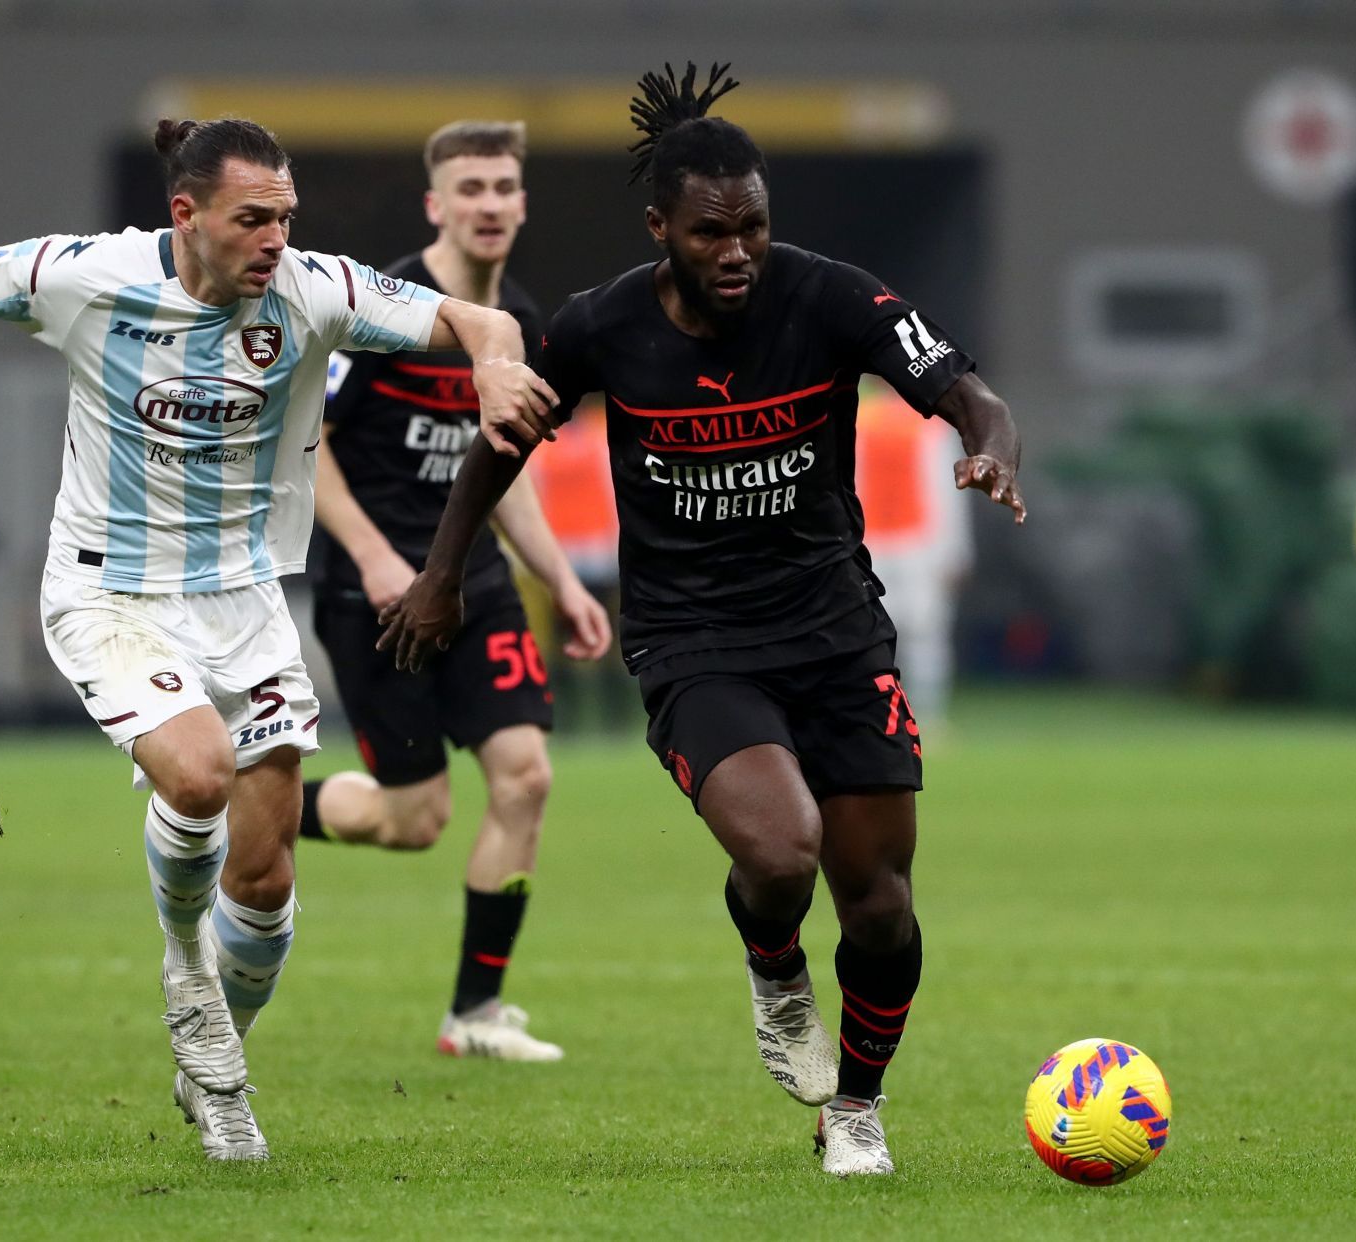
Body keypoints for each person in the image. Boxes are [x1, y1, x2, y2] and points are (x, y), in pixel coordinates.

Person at [0, 117, 555, 1162]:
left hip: (245, 601)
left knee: (267, 886)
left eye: (286, 217)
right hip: (110, 597)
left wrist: (496, 367)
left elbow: (477, 322)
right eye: (252, 219)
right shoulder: (80, 276)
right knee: (196, 775)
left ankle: (213, 1059)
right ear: (186, 216)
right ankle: (186, 970)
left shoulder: (318, 290)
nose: (276, 238)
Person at [379, 64, 1027, 1177]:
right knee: (784, 852)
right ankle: (776, 973)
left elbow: (970, 391)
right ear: (661, 228)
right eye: (711, 232)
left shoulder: (828, 297)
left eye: (755, 228)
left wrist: (990, 450)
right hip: (695, 643)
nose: (738, 253)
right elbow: (503, 443)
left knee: (879, 903)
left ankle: (858, 1111)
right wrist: (441, 574)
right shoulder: (601, 326)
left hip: (836, 631)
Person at [302, 120, 612, 1063]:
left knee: (525, 776)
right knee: (414, 819)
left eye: (503, 187)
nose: (488, 203)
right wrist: (373, 558)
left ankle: (474, 1016)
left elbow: (502, 476)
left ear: (522, 204)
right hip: (378, 593)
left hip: (474, 584)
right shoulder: (382, 308)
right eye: (469, 187)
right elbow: (301, 451)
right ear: (437, 204)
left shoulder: (518, 319)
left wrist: (562, 579)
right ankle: (257, 799)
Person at [855, 379, 973, 731]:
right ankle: (913, 718)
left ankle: (901, 717)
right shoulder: (869, 420)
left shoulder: (866, 420)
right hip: (893, 542)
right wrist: (956, 550)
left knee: (898, 634)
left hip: (896, 542)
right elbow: (948, 494)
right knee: (916, 634)